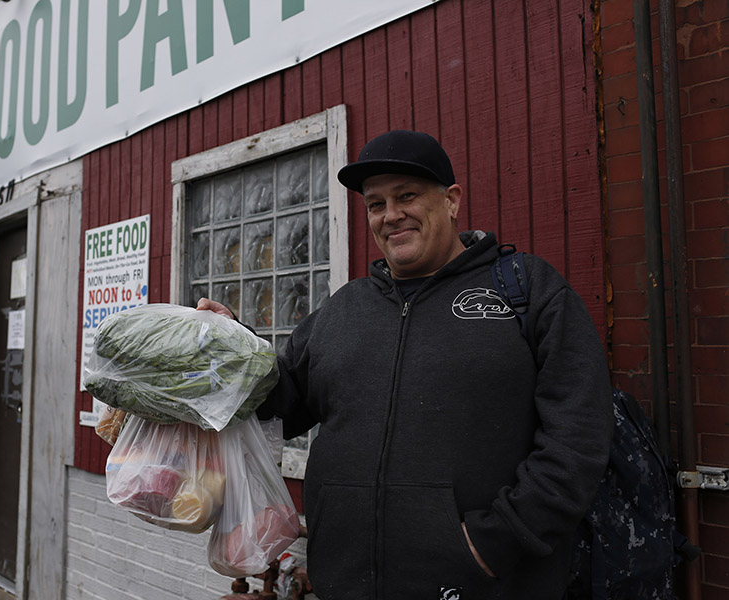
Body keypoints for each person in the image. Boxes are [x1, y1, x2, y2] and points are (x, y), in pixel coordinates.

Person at [198, 130, 613, 599]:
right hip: (345, 582)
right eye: (376, 204)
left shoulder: (528, 292)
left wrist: (496, 541)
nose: (391, 215)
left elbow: (578, 436)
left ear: (452, 200)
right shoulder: (345, 309)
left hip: (481, 584)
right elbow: (281, 399)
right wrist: (233, 342)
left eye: (407, 196)